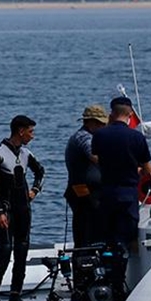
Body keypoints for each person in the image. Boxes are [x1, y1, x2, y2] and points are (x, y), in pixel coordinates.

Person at [0, 114, 45, 301]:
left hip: (23, 210)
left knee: (21, 250)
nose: (32, 136)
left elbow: (41, 172)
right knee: (5, 250)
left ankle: (15, 294)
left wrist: (35, 190)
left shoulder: (26, 154)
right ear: (20, 131)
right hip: (6, 210)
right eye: (30, 131)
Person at [90, 101, 151, 254]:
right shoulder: (137, 137)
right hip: (129, 194)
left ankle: (111, 271)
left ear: (111, 114)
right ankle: (129, 269)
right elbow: (148, 169)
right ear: (130, 114)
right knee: (130, 237)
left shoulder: (100, 135)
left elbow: (99, 159)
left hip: (107, 192)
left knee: (109, 238)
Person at [64, 104, 108, 248]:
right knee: (87, 232)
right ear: (90, 122)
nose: (104, 127)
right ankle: (84, 261)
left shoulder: (92, 136)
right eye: (100, 124)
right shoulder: (84, 137)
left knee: (90, 230)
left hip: (90, 192)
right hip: (84, 193)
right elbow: (95, 156)